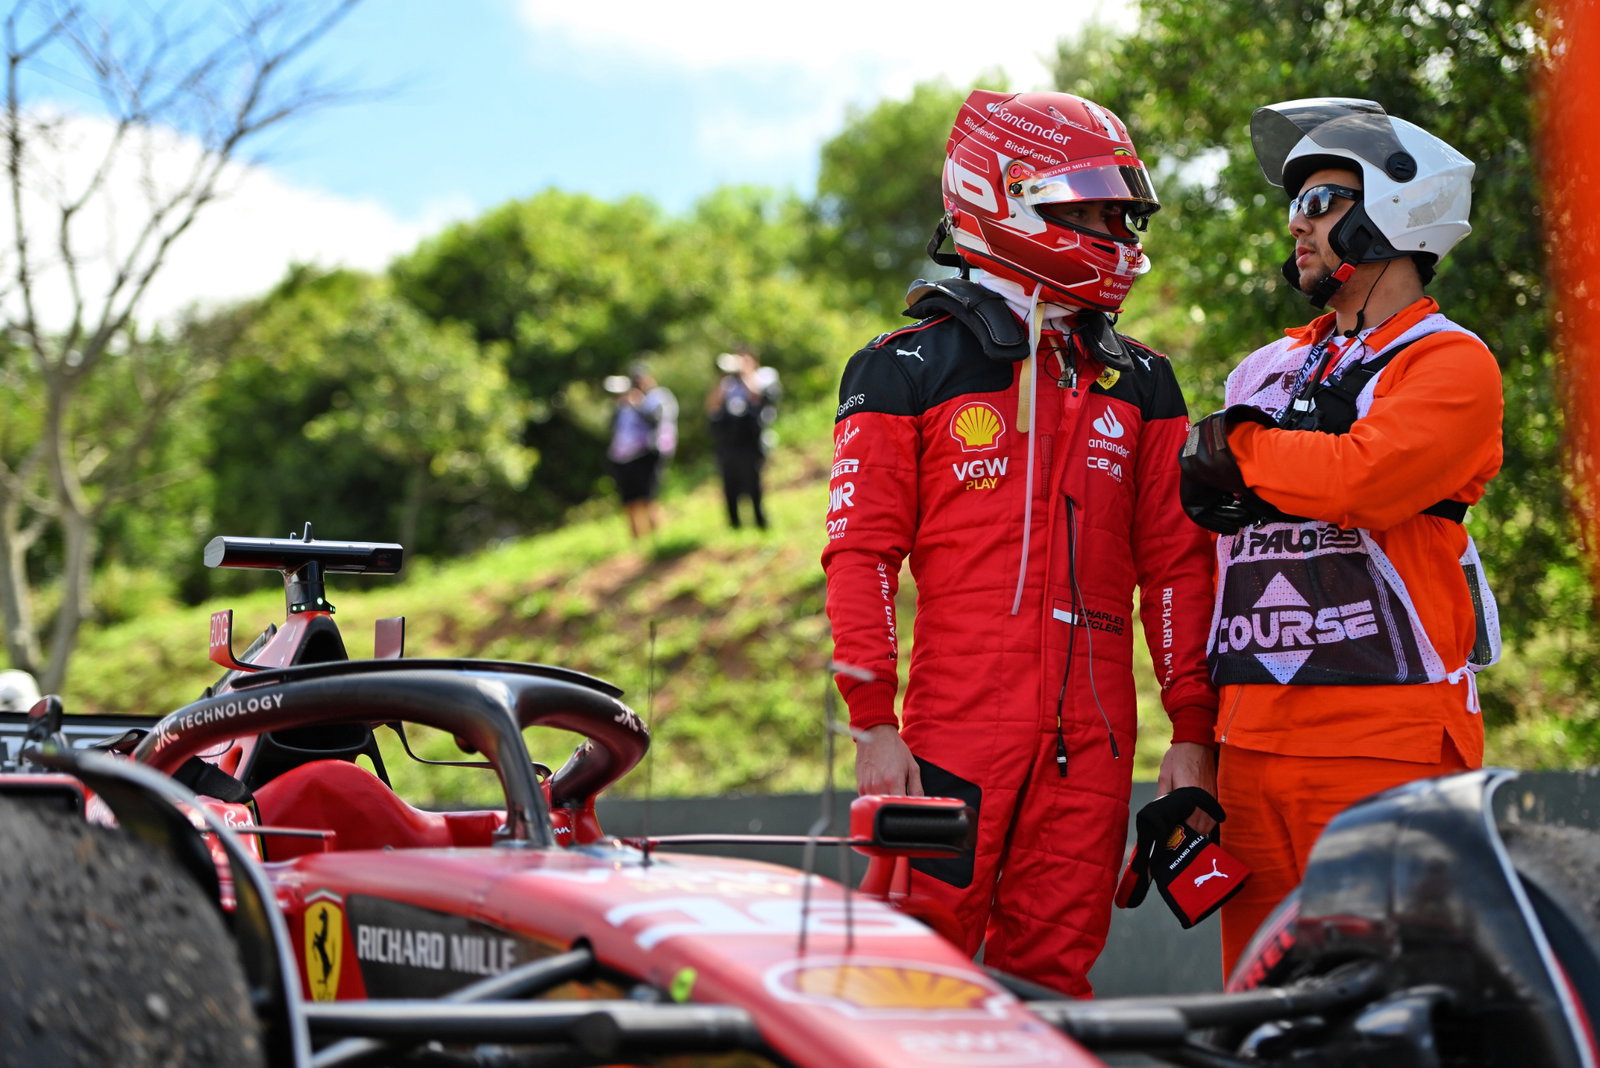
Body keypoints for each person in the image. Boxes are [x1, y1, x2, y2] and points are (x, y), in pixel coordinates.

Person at [821, 89, 1220, 997]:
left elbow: (1177, 569)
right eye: (1093, 210)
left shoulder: (1145, 380)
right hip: (953, 730)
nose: (1117, 233)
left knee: (1053, 984)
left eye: (1124, 213)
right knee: (910, 974)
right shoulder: (904, 364)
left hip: (1098, 742)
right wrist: (873, 721)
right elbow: (861, 554)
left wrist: (1193, 731)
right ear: (1007, 196)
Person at [1176, 97, 1503, 975]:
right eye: (1295, 206)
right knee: (1257, 1009)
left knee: (1381, 1002)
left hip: (1385, 735)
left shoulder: (1450, 361)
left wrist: (1240, 449)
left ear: (1398, 207)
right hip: (1249, 743)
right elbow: (1210, 556)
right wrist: (1195, 738)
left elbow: (1363, 479)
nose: (1297, 224)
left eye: (1319, 203)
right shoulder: (1262, 369)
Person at [705, 347, 779, 530]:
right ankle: (734, 524)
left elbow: (758, 397)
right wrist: (722, 378)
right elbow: (711, 406)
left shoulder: (763, 376)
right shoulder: (727, 383)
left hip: (751, 440)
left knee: (753, 482)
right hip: (728, 441)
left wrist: (745, 373)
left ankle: (760, 521)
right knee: (729, 484)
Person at [605, 360, 677, 540]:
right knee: (630, 500)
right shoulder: (622, 405)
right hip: (622, 458)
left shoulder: (657, 397)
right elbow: (612, 428)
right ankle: (637, 542)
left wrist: (637, 405)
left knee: (649, 497)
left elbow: (657, 422)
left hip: (646, 454)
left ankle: (658, 539)